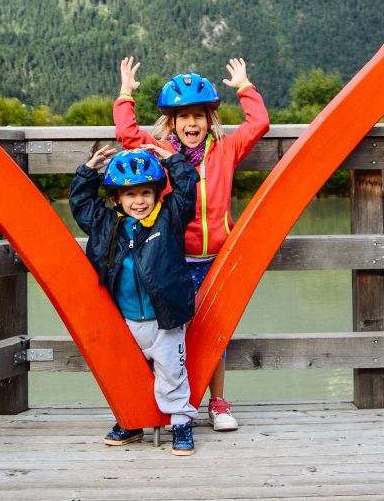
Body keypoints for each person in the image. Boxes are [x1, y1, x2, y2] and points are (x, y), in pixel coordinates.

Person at [114, 56, 270, 431]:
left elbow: (259, 124)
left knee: (215, 333)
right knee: (166, 332)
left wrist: (245, 87)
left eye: (198, 116)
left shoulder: (226, 150)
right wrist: (125, 93)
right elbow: (127, 133)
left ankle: (216, 402)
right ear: (172, 122)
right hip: (175, 261)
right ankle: (161, 404)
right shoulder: (160, 153)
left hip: (217, 258)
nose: (192, 123)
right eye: (183, 117)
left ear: (209, 120)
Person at [69, 144, 199, 455]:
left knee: (172, 371)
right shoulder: (105, 224)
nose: (138, 201)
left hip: (164, 319)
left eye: (145, 193)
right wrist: (89, 170)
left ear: (156, 193)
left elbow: (186, 189)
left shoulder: (170, 219)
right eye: (129, 194)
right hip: (124, 318)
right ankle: (131, 419)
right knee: (126, 372)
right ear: (115, 198)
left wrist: (172, 160)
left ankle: (181, 422)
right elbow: (80, 203)